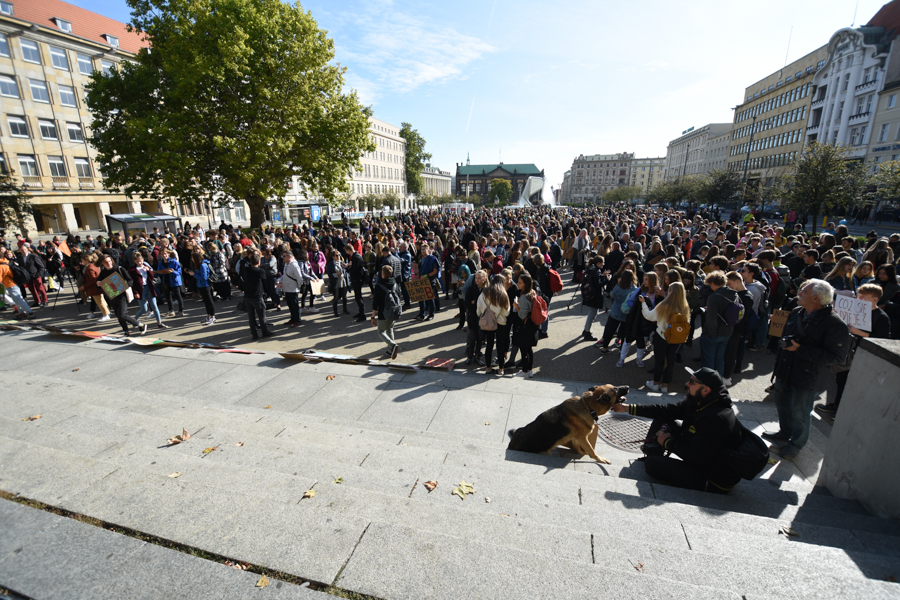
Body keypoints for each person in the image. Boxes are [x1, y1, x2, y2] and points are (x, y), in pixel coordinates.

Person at [611, 367, 743, 494]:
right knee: (662, 418)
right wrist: (627, 408)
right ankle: (653, 451)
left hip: (713, 476)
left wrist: (668, 442)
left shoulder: (716, 418)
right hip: (700, 450)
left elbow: (696, 457)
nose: (686, 384)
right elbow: (666, 411)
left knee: (653, 465)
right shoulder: (699, 401)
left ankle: (654, 457)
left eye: (692, 382)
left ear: (706, 390)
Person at [764, 279, 850, 460]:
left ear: (816, 298)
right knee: (782, 403)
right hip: (785, 369)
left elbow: (836, 357)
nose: (798, 292)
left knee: (800, 412)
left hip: (808, 376)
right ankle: (784, 432)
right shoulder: (797, 311)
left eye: (803, 291)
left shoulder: (835, 324)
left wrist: (800, 349)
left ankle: (796, 444)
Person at [815, 283, 892, 417]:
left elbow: (882, 340)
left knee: (853, 384)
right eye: (858, 296)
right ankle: (836, 406)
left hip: (864, 355)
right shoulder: (854, 311)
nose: (859, 299)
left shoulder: (881, 317)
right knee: (841, 379)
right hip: (848, 351)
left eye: (863, 297)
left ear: (875, 299)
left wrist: (859, 332)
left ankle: (843, 412)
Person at [640, 281, 690, 392]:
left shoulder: (664, 305)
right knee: (670, 361)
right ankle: (665, 386)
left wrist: (643, 303)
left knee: (659, 361)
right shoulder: (685, 306)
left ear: (671, 292)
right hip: (677, 338)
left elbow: (649, 316)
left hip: (662, 336)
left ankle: (656, 383)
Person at [98, 254, 146, 336]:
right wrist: (98, 283)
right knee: (118, 315)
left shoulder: (119, 269)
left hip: (122, 295)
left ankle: (140, 325)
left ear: (112, 261)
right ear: (102, 263)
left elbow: (130, 280)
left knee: (122, 315)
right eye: (106, 262)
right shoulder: (103, 272)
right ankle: (126, 331)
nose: (108, 263)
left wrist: (124, 286)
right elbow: (99, 284)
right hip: (112, 295)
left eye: (109, 261)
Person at [699, 270, 737, 377]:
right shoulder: (734, 294)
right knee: (720, 359)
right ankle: (718, 382)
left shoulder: (713, 297)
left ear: (712, 283)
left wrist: (711, 333)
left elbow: (711, 319)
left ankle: (708, 383)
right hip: (727, 331)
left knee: (708, 361)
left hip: (713, 333)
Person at [478, 274, 511, 375]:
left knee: (489, 345)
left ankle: (488, 368)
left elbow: (478, 309)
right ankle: (501, 369)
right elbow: (506, 312)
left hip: (488, 322)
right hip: (500, 322)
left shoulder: (484, 293)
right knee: (500, 345)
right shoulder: (503, 293)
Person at [130, 252, 167, 329]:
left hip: (149, 288)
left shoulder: (146, 266)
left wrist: (148, 270)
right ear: (135, 261)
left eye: (141, 261)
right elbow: (132, 283)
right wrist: (135, 292)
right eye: (137, 261)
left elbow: (152, 277)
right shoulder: (132, 269)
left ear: (143, 259)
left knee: (154, 306)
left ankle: (159, 323)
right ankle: (134, 320)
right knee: (144, 309)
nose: (140, 263)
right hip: (140, 289)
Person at [513, 273, 540, 378]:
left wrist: (516, 306)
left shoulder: (524, 297)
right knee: (529, 349)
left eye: (520, 282)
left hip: (524, 326)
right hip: (532, 324)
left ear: (526, 284)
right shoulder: (532, 292)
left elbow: (522, 315)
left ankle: (524, 371)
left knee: (523, 349)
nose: (518, 284)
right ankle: (530, 370)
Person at [371, 264, 401, 360]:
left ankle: (392, 345)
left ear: (382, 274)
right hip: (393, 312)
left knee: (380, 331)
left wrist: (373, 317)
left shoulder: (379, 286)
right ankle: (390, 351)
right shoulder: (395, 284)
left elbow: (375, 303)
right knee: (390, 329)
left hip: (383, 313)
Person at [241, 252, 273, 340]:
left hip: (248, 296)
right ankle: (265, 332)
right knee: (261, 316)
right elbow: (264, 280)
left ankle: (254, 334)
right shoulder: (260, 271)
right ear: (259, 262)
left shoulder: (246, 270)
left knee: (251, 317)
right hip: (257, 296)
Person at [581, 256, 609, 341]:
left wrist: (603, 276)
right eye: (603, 262)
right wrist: (607, 279)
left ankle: (586, 329)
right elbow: (597, 285)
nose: (604, 264)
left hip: (590, 295)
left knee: (592, 312)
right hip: (594, 296)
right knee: (593, 313)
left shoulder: (592, 269)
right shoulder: (595, 271)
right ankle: (587, 331)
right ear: (598, 263)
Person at [0, 249, 34, 319]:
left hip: (10, 284)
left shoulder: (1, 266)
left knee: (19, 299)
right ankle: (22, 313)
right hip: (13, 283)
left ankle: (29, 312)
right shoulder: (6, 262)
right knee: (17, 299)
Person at [464, 270, 488, 366]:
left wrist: (476, 302)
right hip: (472, 317)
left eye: (479, 278)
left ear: (484, 279)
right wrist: (474, 304)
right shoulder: (471, 289)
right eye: (476, 278)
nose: (477, 280)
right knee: (472, 337)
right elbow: (467, 303)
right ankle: (470, 356)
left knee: (480, 338)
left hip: (483, 317)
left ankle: (477, 356)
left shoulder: (486, 290)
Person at [79, 252, 111, 321]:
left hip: (94, 288)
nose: (82, 263)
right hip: (98, 287)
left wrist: (84, 286)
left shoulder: (90, 268)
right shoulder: (94, 265)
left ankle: (106, 315)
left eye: (82, 261)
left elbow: (93, 280)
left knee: (100, 302)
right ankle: (107, 312)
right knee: (102, 301)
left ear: (86, 260)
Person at [188, 250, 216, 325]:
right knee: (206, 302)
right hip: (201, 285)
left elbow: (204, 277)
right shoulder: (198, 265)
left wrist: (193, 274)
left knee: (209, 301)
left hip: (205, 286)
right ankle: (209, 316)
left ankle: (213, 317)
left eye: (193, 258)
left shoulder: (203, 265)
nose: (192, 259)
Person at [157, 249, 184, 318]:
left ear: (168, 254)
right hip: (166, 281)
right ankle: (171, 311)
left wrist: (173, 272)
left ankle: (181, 311)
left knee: (177, 295)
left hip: (174, 281)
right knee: (168, 296)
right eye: (162, 254)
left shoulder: (174, 261)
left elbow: (179, 272)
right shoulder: (161, 263)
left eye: (165, 254)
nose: (164, 255)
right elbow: (159, 272)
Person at [280, 251, 304, 327]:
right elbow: (284, 275)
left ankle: (298, 320)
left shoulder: (294, 265)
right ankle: (293, 318)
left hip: (293, 289)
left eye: (284, 256)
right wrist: (278, 281)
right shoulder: (286, 264)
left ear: (289, 256)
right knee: (290, 304)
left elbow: (299, 277)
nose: (282, 258)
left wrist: (300, 286)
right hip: (287, 288)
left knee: (295, 305)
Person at [344, 243, 367, 321]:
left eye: (346, 251)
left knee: (358, 297)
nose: (346, 253)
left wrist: (348, 267)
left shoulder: (355, 257)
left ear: (348, 250)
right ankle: (360, 312)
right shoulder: (356, 256)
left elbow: (354, 270)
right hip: (358, 279)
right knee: (358, 297)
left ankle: (362, 314)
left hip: (357, 279)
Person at [325, 249, 350, 317]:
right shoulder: (331, 264)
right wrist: (336, 274)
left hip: (343, 281)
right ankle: (335, 311)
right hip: (336, 282)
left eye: (339, 255)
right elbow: (329, 274)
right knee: (336, 297)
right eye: (336, 255)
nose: (338, 256)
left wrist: (347, 267)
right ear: (333, 256)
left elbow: (346, 271)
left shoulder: (342, 262)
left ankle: (345, 309)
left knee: (344, 296)